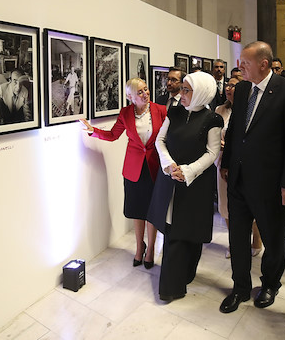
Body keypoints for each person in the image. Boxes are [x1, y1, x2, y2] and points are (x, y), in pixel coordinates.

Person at [219, 41, 285, 314]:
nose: (240, 67)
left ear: (264, 64)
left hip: (271, 184)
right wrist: (227, 162)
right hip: (238, 179)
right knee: (237, 237)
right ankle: (240, 287)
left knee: (273, 238)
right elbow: (235, 129)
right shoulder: (243, 89)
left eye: (245, 62)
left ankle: (270, 284)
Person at [147, 71, 223, 302]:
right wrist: (170, 165)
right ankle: (171, 287)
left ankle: (187, 274)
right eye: (182, 89)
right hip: (171, 178)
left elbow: (212, 152)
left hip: (195, 184)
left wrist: (188, 171)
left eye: (187, 90)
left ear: (201, 92)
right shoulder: (175, 112)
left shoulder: (212, 119)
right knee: (174, 232)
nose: (182, 93)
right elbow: (160, 140)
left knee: (190, 231)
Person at [79, 78, 167, 269]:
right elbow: (112, 135)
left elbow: (168, 137)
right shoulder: (126, 113)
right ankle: (139, 246)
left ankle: (151, 249)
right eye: (140, 92)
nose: (146, 94)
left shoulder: (160, 110)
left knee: (152, 211)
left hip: (155, 167)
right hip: (134, 169)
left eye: (146, 89)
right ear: (130, 97)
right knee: (137, 210)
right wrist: (93, 131)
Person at [215, 77, 263, 259]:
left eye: (234, 85)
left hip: (248, 163)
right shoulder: (220, 110)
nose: (229, 88)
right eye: (227, 84)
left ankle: (256, 240)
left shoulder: (252, 108)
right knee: (226, 204)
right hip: (223, 161)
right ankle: (233, 242)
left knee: (250, 203)